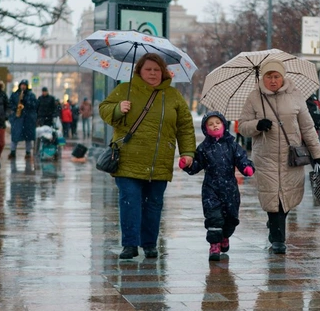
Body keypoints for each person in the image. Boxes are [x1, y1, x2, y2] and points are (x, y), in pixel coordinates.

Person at [99, 53, 196, 260]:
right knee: (130, 201)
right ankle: (130, 244)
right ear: (139, 71)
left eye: (156, 69)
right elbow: (104, 109)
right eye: (148, 69)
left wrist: (187, 152)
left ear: (164, 72)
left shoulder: (173, 96)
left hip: (159, 161)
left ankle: (150, 244)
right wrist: (118, 109)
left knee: (153, 204)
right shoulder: (124, 90)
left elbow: (185, 127)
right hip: (128, 159)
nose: (152, 73)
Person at [238, 59, 320, 254]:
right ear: (263, 78)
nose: (273, 80)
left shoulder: (295, 96)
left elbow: (307, 127)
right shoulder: (254, 97)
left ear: (282, 77)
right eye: (269, 76)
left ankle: (275, 225)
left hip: (291, 157)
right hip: (265, 157)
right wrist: (257, 125)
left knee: (286, 196)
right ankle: (278, 239)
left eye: (276, 76)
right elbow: (243, 126)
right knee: (272, 198)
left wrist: (317, 154)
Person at [181, 111, 255, 261]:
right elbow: (196, 165)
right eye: (210, 124)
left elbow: (242, 158)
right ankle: (214, 245)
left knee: (231, 217)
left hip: (230, 189)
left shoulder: (232, 145)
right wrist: (187, 165)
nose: (214, 126)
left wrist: (247, 168)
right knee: (214, 217)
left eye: (217, 123)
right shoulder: (204, 147)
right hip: (211, 189)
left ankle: (225, 236)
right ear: (205, 128)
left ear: (223, 125)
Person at [8, 79, 37, 160]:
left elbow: (35, 105)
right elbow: (10, 104)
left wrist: (26, 102)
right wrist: (15, 108)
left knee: (28, 137)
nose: (23, 86)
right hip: (18, 118)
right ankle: (12, 152)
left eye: (24, 85)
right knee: (15, 136)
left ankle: (28, 153)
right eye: (22, 85)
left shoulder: (31, 95)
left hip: (28, 119)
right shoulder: (14, 94)